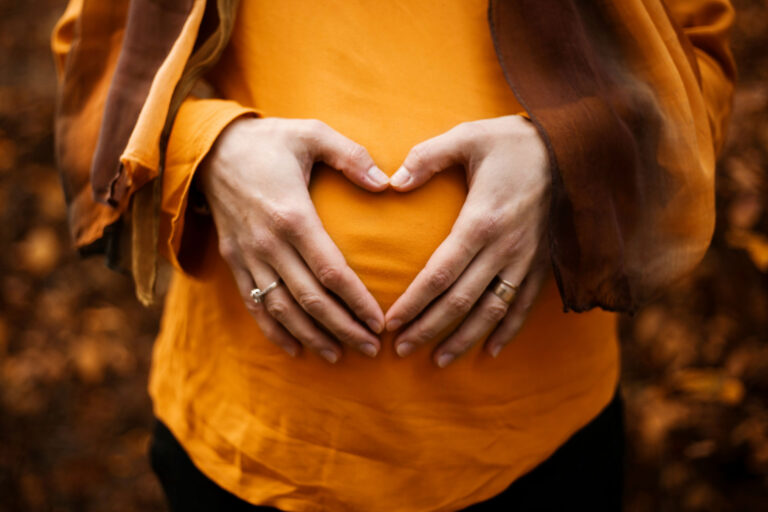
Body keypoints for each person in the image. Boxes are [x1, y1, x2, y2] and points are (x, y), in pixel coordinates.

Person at [51, 0, 735, 510]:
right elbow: (97, 53)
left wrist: (569, 153)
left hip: (538, 447)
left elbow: (696, 64)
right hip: (248, 443)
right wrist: (206, 149)